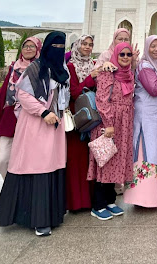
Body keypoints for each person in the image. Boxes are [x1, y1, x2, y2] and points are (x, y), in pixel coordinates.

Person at [0, 31, 69, 237]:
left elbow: (64, 95)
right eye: (55, 47)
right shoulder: (36, 68)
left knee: (51, 166)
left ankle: (50, 215)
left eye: (62, 47)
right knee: (37, 166)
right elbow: (22, 94)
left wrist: (58, 111)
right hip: (36, 125)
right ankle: (37, 219)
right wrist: (43, 111)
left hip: (54, 126)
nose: (58, 51)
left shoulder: (62, 70)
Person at [123, 35, 157, 208]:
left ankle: (151, 197)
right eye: (153, 46)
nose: (156, 49)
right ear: (147, 48)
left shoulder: (153, 65)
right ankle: (142, 198)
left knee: (154, 152)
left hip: (155, 115)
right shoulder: (145, 66)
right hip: (146, 117)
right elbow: (154, 89)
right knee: (146, 152)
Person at [87, 41, 134, 220]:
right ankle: (98, 205)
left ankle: (110, 200)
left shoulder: (129, 74)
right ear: (115, 55)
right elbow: (101, 100)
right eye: (121, 54)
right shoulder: (108, 74)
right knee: (105, 160)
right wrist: (108, 124)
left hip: (124, 123)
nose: (125, 58)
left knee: (116, 160)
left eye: (128, 55)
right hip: (109, 124)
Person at [0, 36, 42, 178]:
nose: (28, 49)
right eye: (25, 46)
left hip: (31, 118)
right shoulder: (14, 68)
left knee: (27, 159)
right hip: (10, 118)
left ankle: (19, 191)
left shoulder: (42, 69)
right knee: (3, 159)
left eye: (32, 46)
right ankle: (8, 186)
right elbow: (3, 91)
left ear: (38, 49)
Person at [66, 34, 102, 211]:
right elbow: (73, 92)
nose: (87, 47)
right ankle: (75, 202)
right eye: (84, 44)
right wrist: (90, 78)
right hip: (78, 117)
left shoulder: (93, 64)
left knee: (90, 158)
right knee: (76, 159)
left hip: (93, 118)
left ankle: (89, 201)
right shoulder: (71, 66)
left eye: (90, 44)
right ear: (77, 46)